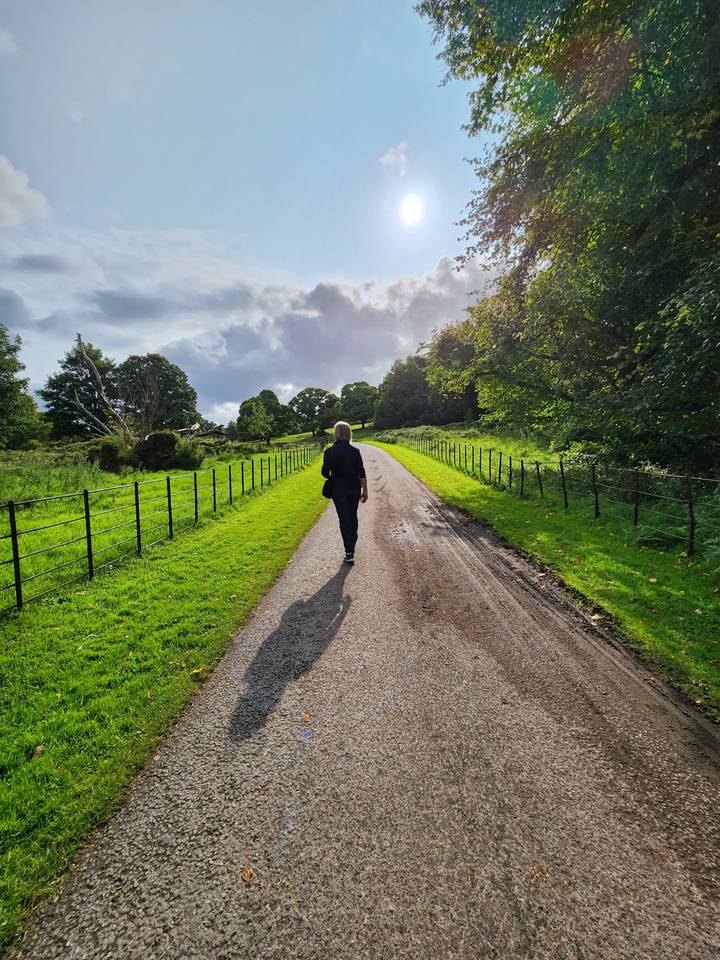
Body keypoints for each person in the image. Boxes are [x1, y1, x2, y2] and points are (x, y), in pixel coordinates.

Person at [321, 421, 368, 565]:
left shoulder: (329, 452)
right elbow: (361, 472)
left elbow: (324, 473)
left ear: (335, 433)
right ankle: (351, 547)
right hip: (354, 487)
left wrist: (333, 476)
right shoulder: (355, 451)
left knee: (344, 518)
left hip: (338, 488)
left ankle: (349, 551)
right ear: (349, 433)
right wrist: (365, 490)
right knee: (352, 515)